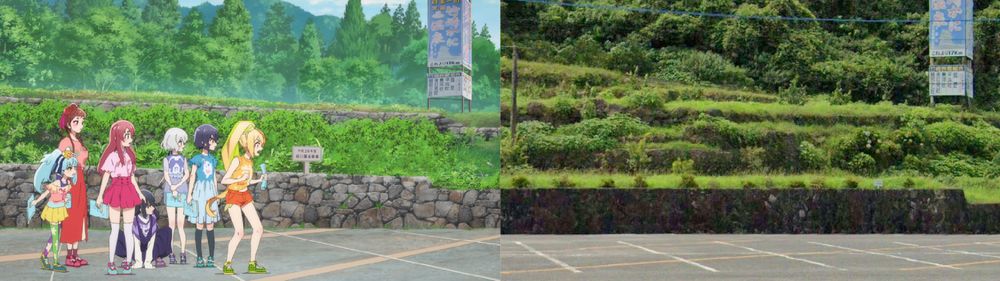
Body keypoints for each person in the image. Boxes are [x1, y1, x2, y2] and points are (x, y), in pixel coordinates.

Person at [206, 121, 269, 275]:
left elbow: (246, 181)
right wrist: (237, 178)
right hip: (233, 196)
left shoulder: (250, 161)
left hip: (245, 194)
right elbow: (225, 180)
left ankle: (252, 263)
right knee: (239, 232)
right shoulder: (237, 160)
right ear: (248, 143)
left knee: (258, 229)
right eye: (258, 144)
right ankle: (228, 263)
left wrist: (258, 180)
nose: (260, 148)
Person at [96, 120, 146, 275]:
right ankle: (111, 262)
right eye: (126, 135)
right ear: (118, 137)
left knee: (129, 229)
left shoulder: (129, 156)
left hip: (128, 190)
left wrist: (139, 192)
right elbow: (106, 176)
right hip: (116, 190)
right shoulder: (112, 156)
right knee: (115, 229)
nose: (130, 138)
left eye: (130, 135)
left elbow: (131, 176)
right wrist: (100, 195)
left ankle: (127, 262)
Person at [32, 149, 79, 273]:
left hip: (60, 210)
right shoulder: (57, 183)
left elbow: (65, 197)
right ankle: (56, 262)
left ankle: (44, 256)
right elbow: (46, 193)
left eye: (74, 168)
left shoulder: (67, 184)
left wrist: (66, 200)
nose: (74, 171)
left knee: (54, 236)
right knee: (55, 236)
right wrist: (36, 201)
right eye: (71, 168)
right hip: (53, 210)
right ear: (63, 170)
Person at [187, 124, 221, 268]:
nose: (215, 143)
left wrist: (216, 195)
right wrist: (189, 194)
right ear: (205, 141)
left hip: (210, 192)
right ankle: (199, 257)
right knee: (199, 224)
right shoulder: (196, 159)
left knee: (210, 225)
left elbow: (213, 177)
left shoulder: (213, 160)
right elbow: (192, 176)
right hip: (200, 192)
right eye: (213, 140)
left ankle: (211, 257)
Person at [115, 190, 172, 269]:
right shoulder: (134, 221)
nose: (152, 208)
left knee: (167, 231)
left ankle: (155, 258)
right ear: (141, 208)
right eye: (149, 205)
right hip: (135, 251)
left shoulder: (153, 219)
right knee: (117, 234)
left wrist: (148, 262)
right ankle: (129, 258)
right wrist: (138, 262)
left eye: (152, 205)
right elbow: (136, 242)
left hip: (152, 252)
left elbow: (151, 243)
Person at [161, 128, 190, 264]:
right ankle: (171, 252)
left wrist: (176, 186)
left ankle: (183, 253)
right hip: (170, 192)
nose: (182, 145)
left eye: (183, 142)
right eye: (180, 142)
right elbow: (166, 174)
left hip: (182, 192)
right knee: (171, 224)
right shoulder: (167, 159)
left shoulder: (184, 159)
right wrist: (172, 187)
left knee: (181, 225)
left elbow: (187, 174)